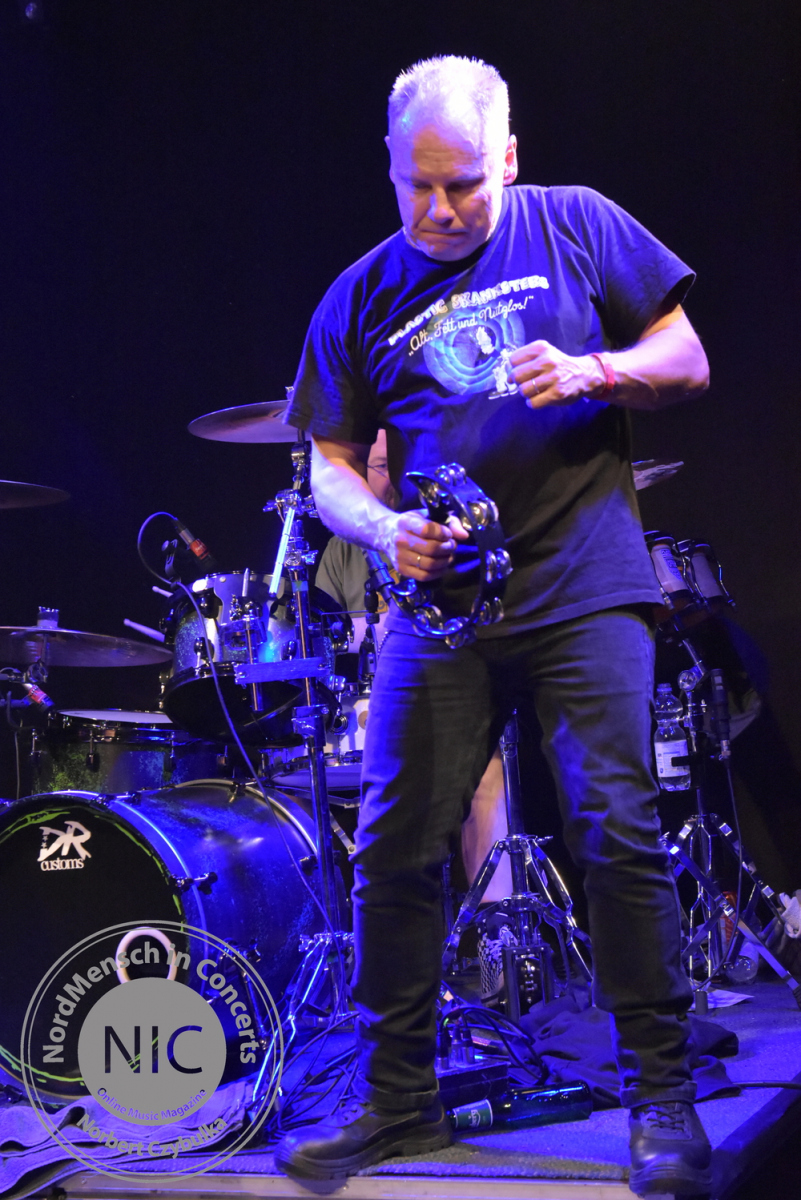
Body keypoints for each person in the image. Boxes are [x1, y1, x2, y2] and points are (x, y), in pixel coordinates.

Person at [276, 56, 712, 1196]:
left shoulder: (577, 225)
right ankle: (398, 1103)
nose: (438, 209)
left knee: (615, 833)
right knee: (391, 850)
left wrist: (596, 370)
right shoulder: (359, 294)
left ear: (507, 159)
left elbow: (686, 357)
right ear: (389, 169)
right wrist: (383, 531)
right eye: (416, 186)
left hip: (583, 584)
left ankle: (661, 1098)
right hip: (441, 611)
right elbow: (327, 469)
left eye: (463, 184)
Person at [315, 428, 513, 913]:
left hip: (453, 681)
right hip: (364, 710)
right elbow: (327, 635)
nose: (391, 478)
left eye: (396, 465)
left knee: (489, 766)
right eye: (381, 466)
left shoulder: (452, 526)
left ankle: (496, 923)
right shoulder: (343, 548)